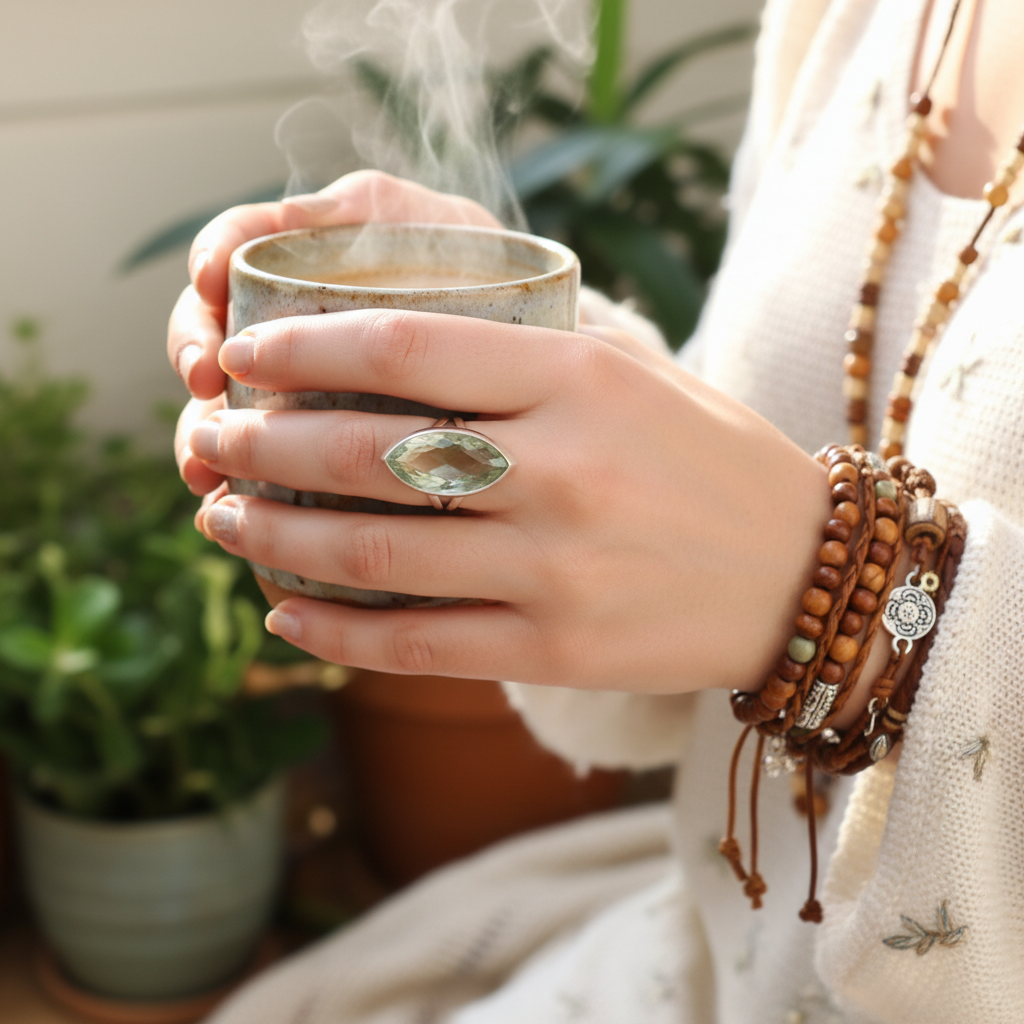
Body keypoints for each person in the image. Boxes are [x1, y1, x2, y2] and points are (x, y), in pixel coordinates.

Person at [167, 0, 1024, 1019]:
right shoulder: (857, 18)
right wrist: (532, 367)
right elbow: (756, 486)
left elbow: (793, 560)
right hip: (711, 958)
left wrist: (847, 598)